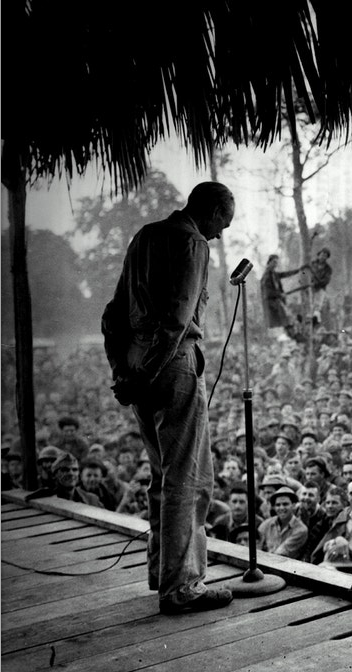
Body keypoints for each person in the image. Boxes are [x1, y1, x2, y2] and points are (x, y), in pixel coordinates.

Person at [100, 181, 235, 614]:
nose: (219, 235)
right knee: (188, 478)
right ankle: (181, 587)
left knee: (163, 475)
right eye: (222, 224)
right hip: (171, 366)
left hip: (140, 364)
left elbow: (112, 315)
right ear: (211, 211)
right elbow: (178, 321)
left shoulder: (144, 237)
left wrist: (124, 371)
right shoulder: (192, 243)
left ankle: (163, 573)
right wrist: (146, 374)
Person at [258, 487, 308, 559]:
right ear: (274, 507)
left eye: (285, 504)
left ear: (293, 505)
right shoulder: (265, 525)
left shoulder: (301, 529)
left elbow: (281, 553)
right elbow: (257, 548)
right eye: (278, 505)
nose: (281, 508)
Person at [261, 254, 303, 330]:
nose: (275, 264)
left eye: (276, 262)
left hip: (276, 301)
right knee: (280, 322)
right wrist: (280, 295)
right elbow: (268, 293)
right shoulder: (266, 276)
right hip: (271, 303)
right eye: (274, 262)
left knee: (283, 320)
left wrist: (298, 271)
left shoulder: (274, 274)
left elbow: (284, 274)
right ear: (269, 262)